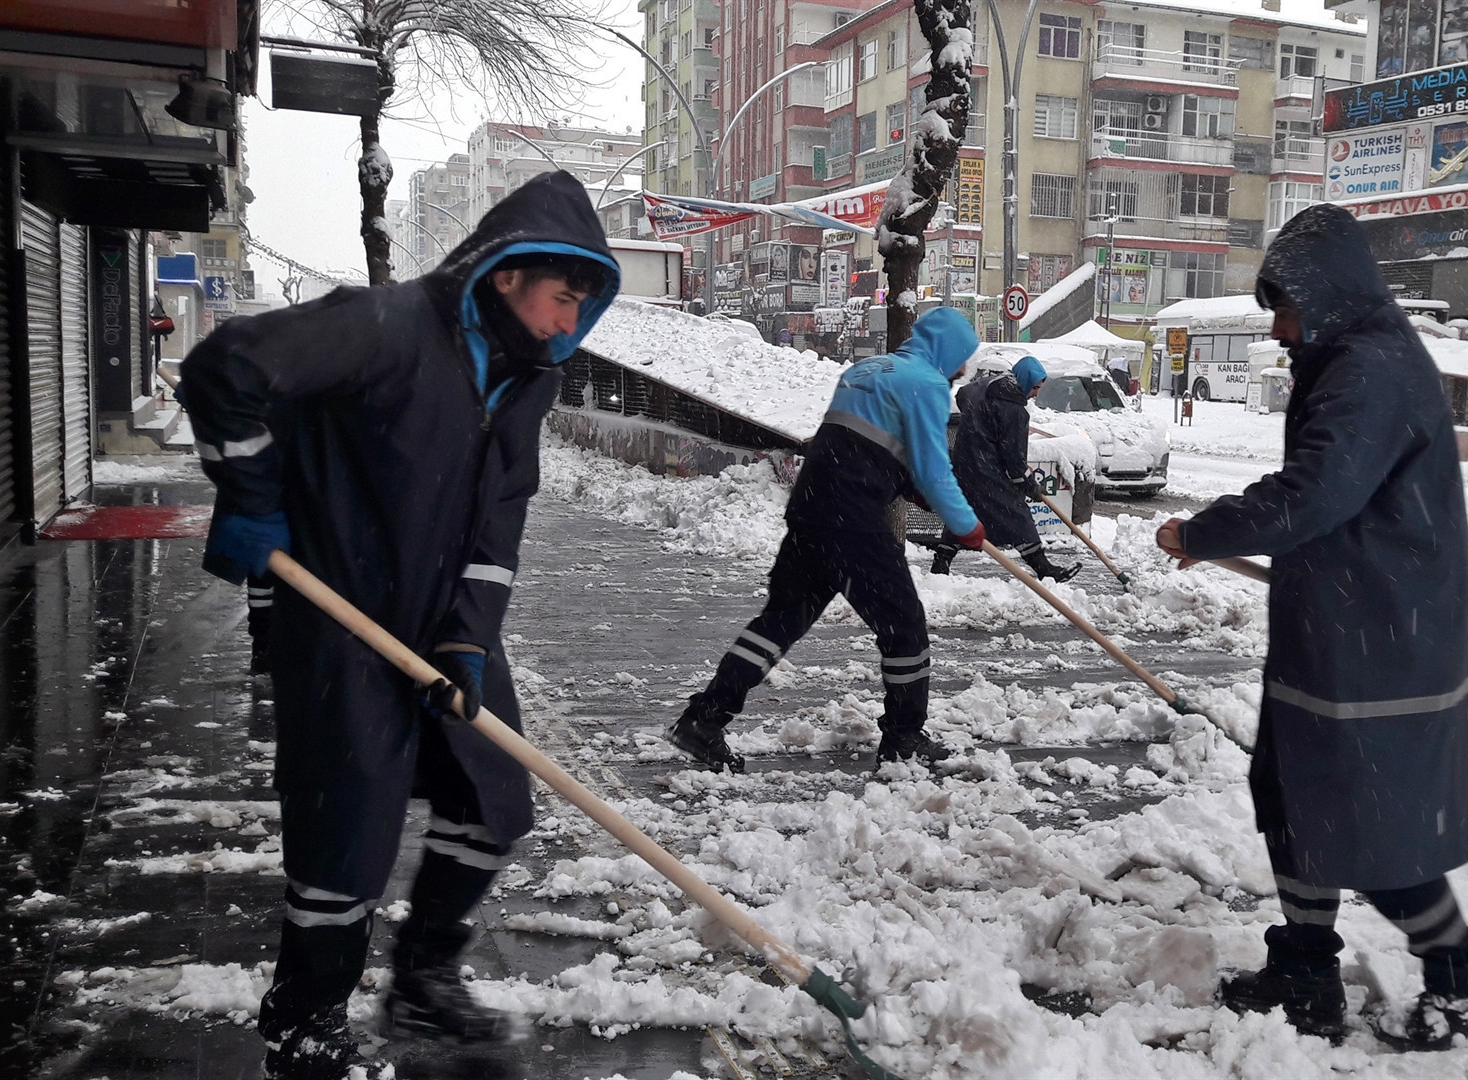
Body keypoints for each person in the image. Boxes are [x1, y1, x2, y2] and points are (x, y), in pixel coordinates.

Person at [180, 172, 621, 1080]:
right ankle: (305, 1023)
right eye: (561, 299)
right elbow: (225, 366)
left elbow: (501, 516)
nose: (567, 324)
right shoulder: (387, 325)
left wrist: (468, 634)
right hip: (340, 613)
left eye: (582, 308)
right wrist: (254, 500)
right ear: (506, 274)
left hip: (442, 621)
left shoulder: (528, 377)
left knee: (493, 802)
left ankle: (423, 979)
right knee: (345, 836)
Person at [1153, 203, 1468, 1047]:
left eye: (1285, 307)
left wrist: (1207, 532)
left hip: (1380, 639)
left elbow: (1318, 491)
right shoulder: (1350, 358)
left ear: (1326, 296)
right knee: (1294, 800)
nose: (1277, 329)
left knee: (1374, 825)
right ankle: (1305, 970)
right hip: (1335, 630)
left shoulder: (1371, 368)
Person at [670, 307, 986, 773]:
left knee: (779, 622)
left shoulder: (865, 371)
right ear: (949, 350)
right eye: (963, 358)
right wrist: (966, 525)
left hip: (812, 511)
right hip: (853, 522)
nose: (962, 370)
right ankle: (903, 738)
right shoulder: (926, 383)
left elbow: (859, 445)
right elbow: (934, 469)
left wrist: (904, 483)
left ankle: (704, 719)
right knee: (904, 628)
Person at [932, 355, 1079, 582]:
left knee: (965, 511)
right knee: (1017, 514)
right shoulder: (1014, 410)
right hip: (988, 471)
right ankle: (1043, 568)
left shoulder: (987, 385)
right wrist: (1029, 485)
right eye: (1035, 387)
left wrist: (978, 420)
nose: (1035, 394)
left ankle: (940, 563)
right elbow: (1014, 459)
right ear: (1025, 380)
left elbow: (963, 395)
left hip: (965, 465)